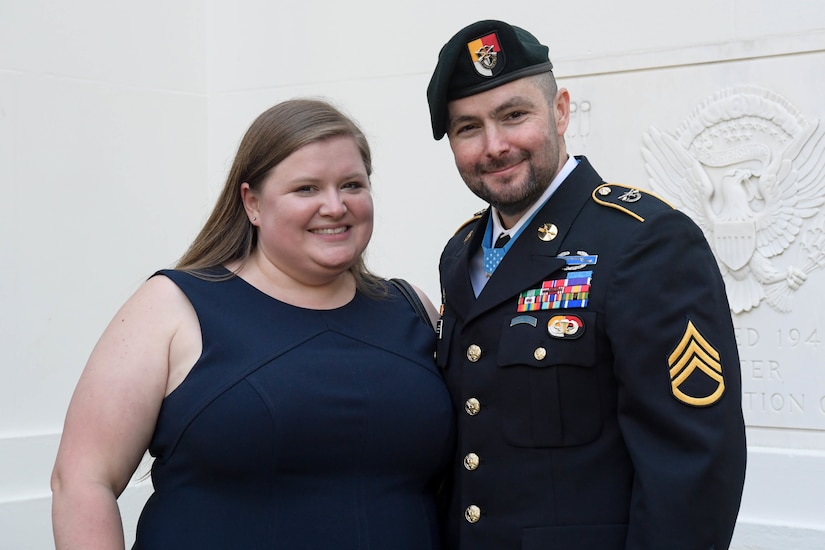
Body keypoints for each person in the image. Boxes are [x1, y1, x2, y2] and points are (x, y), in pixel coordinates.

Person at [50, 98, 456, 549]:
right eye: (306, 189)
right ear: (253, 204)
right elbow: (83, 480)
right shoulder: (173, 305)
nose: (335, 206)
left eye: (352, 184)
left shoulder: (413, 308)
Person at [426, 19, 747, 550]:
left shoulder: (645, 243)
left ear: (560, 110)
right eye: (468, 127)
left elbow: (693, 468)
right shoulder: (460, 254)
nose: (495, 145)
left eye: (514, 115)